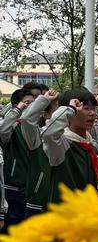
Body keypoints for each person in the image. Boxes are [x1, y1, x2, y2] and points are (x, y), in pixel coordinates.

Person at [42, 88, 98, 203]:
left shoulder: (91, 143)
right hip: (66, 214)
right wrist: (69, 109)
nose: (92, 113)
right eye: (86, 108)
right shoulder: (61, 144)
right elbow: (49, 133)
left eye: (94, 109)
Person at [20, 89, 59, 217]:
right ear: (45, 115)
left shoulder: (75, 138)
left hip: (63, 207)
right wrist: (44, 100)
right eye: (58, 111)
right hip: (38, 205)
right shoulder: (39, 137)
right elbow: (26, 119)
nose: (63, 115)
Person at [0, 88, 35, 232]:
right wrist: (16, 111)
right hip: (13, 189)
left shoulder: (37, 128)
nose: (31, 107)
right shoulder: (12, 128)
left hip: (31, 191)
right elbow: (3, 132)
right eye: (27, 103)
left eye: (35, 103)